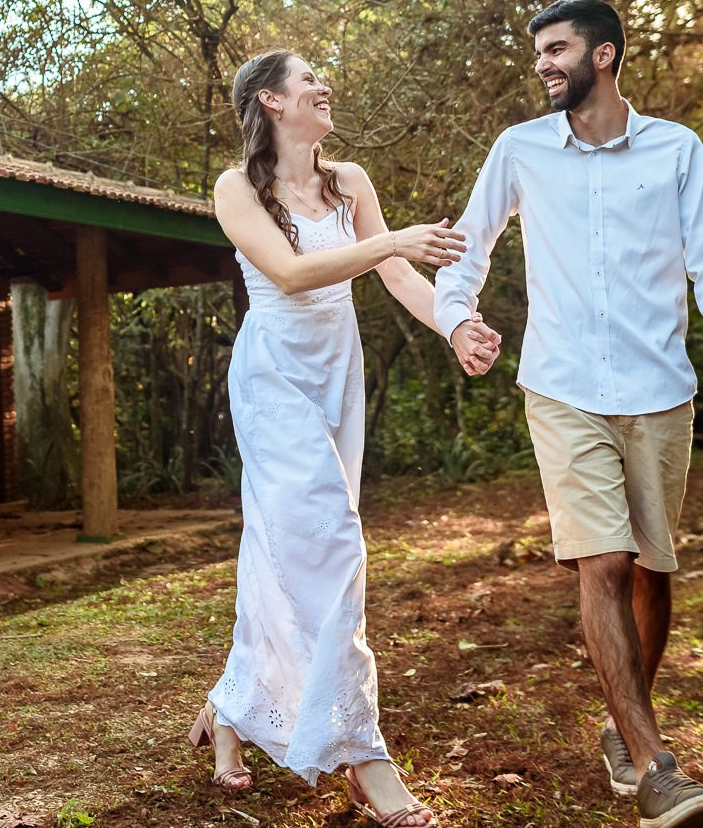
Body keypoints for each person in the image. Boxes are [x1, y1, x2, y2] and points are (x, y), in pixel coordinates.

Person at [434, 0, 703, 828]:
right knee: (603, 562)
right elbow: (468, 246)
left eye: (556, 49)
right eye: (537, 51)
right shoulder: (520, 149)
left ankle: (624, 724)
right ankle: (656, 769)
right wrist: (457, 316)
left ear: (603, 55)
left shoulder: (676, 149)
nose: (542, 63)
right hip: (562, 384)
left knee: (653, 568)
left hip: (659, 389)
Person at [192, 49, 496, 825]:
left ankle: (232, 708)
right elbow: (293, 274)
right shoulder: (235, 187)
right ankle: (365, 755)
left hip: (337, 372)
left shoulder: (350, 181)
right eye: (307, 79)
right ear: (270, 100)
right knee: (333, 544)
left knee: (282, 545)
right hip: (274, 379)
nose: (324, 87)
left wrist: (455, 322)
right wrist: (392, 242)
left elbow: (397, 278)